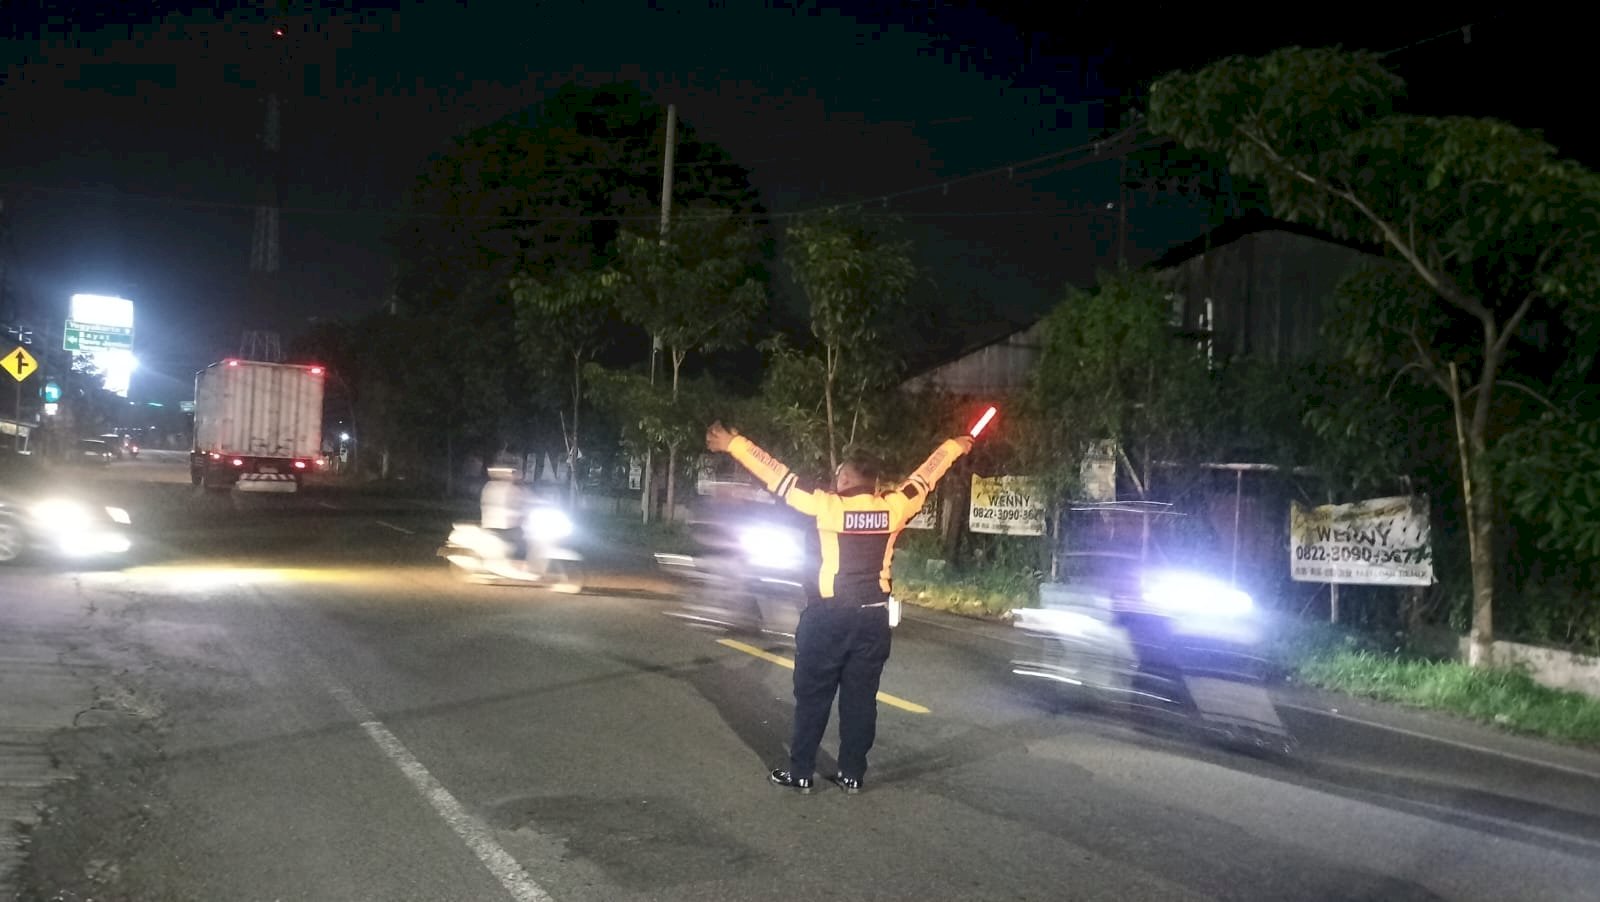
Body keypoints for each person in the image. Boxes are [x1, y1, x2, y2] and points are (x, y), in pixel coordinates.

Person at [705, 421, 972, 794]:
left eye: (838, 475)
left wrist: (735, 444)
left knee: (813, 696)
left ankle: (800, 772)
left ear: (846, 477)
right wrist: (955, 446)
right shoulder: (895, 506)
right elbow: (926, 477)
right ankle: (852, 774)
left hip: (829, 616)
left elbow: (777, 476)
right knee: (861, 700)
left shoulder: (825, 506)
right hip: (874, 618)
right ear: (876, 481)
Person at [479, 466, 527, 565]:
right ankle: (519, 564)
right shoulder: (507, 488)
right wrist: (521, 514)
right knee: (522, 540)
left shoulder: (489, 486)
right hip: (502, 526)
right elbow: (516, 504)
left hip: (494, 524)